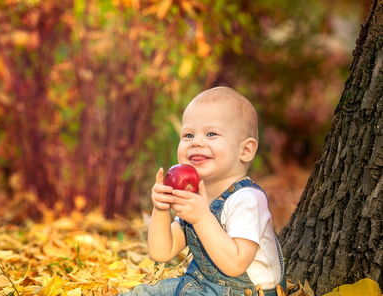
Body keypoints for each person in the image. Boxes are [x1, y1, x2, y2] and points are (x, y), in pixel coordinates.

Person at [120, 86, 286, 296]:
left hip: (243, 292)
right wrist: (160, 210)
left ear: (245, 150)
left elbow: (235, 264)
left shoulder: (248, 199)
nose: (196, 142)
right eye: (188, 135)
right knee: (141, 293)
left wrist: (201, 218)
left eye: (211, 134)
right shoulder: (196, 199)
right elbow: (162, 252)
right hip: (199, 285)